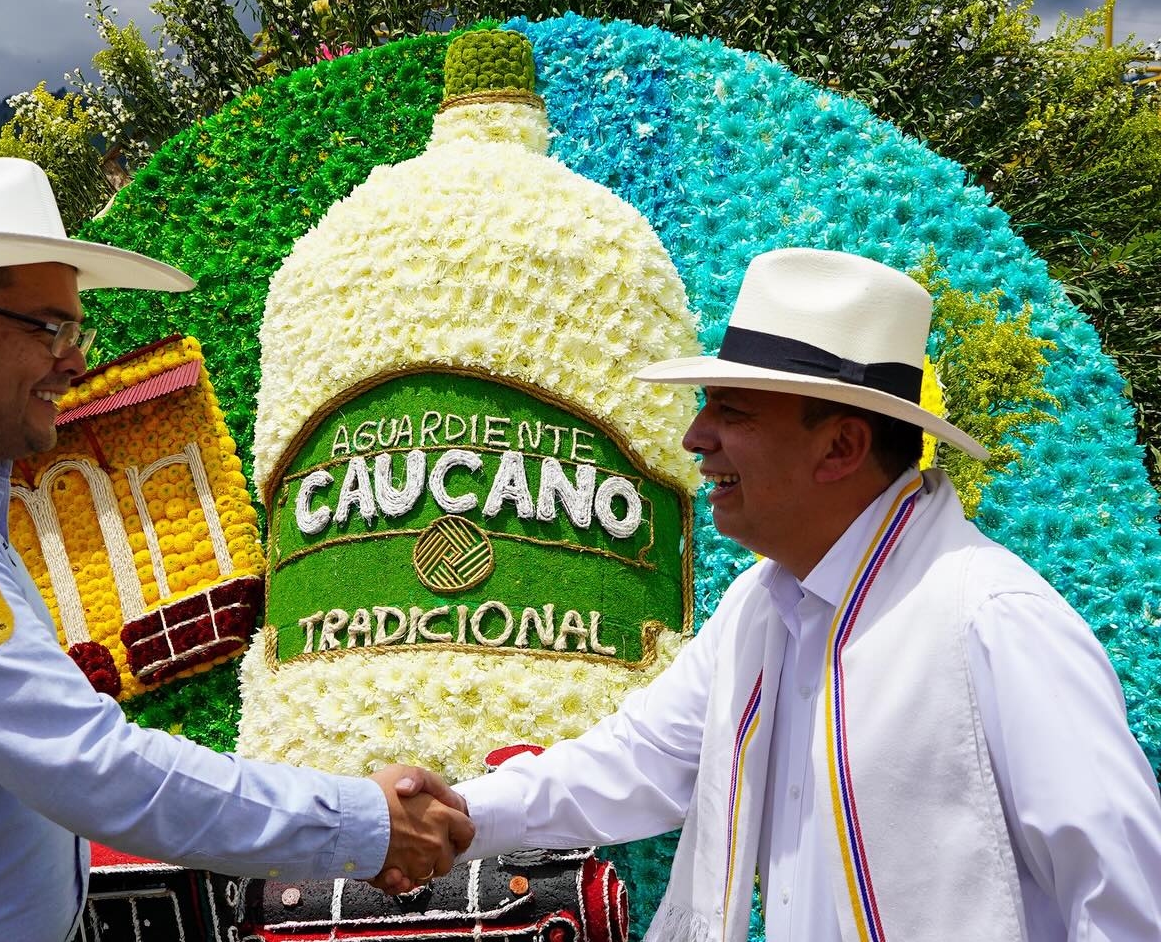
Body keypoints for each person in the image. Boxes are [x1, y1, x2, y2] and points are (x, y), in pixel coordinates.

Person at [0, 157, 471, 942]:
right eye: (48, 328)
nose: (75, 359)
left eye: (74, 329)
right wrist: (363, 822)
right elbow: (90, 766)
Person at [434, 248, 1161, 941]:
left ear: (841, 448)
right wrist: (455, 812)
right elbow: (632, 761)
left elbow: (1127, 900)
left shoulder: (993, 620)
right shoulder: (761, 607)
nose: (696, 436)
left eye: (732, 410)